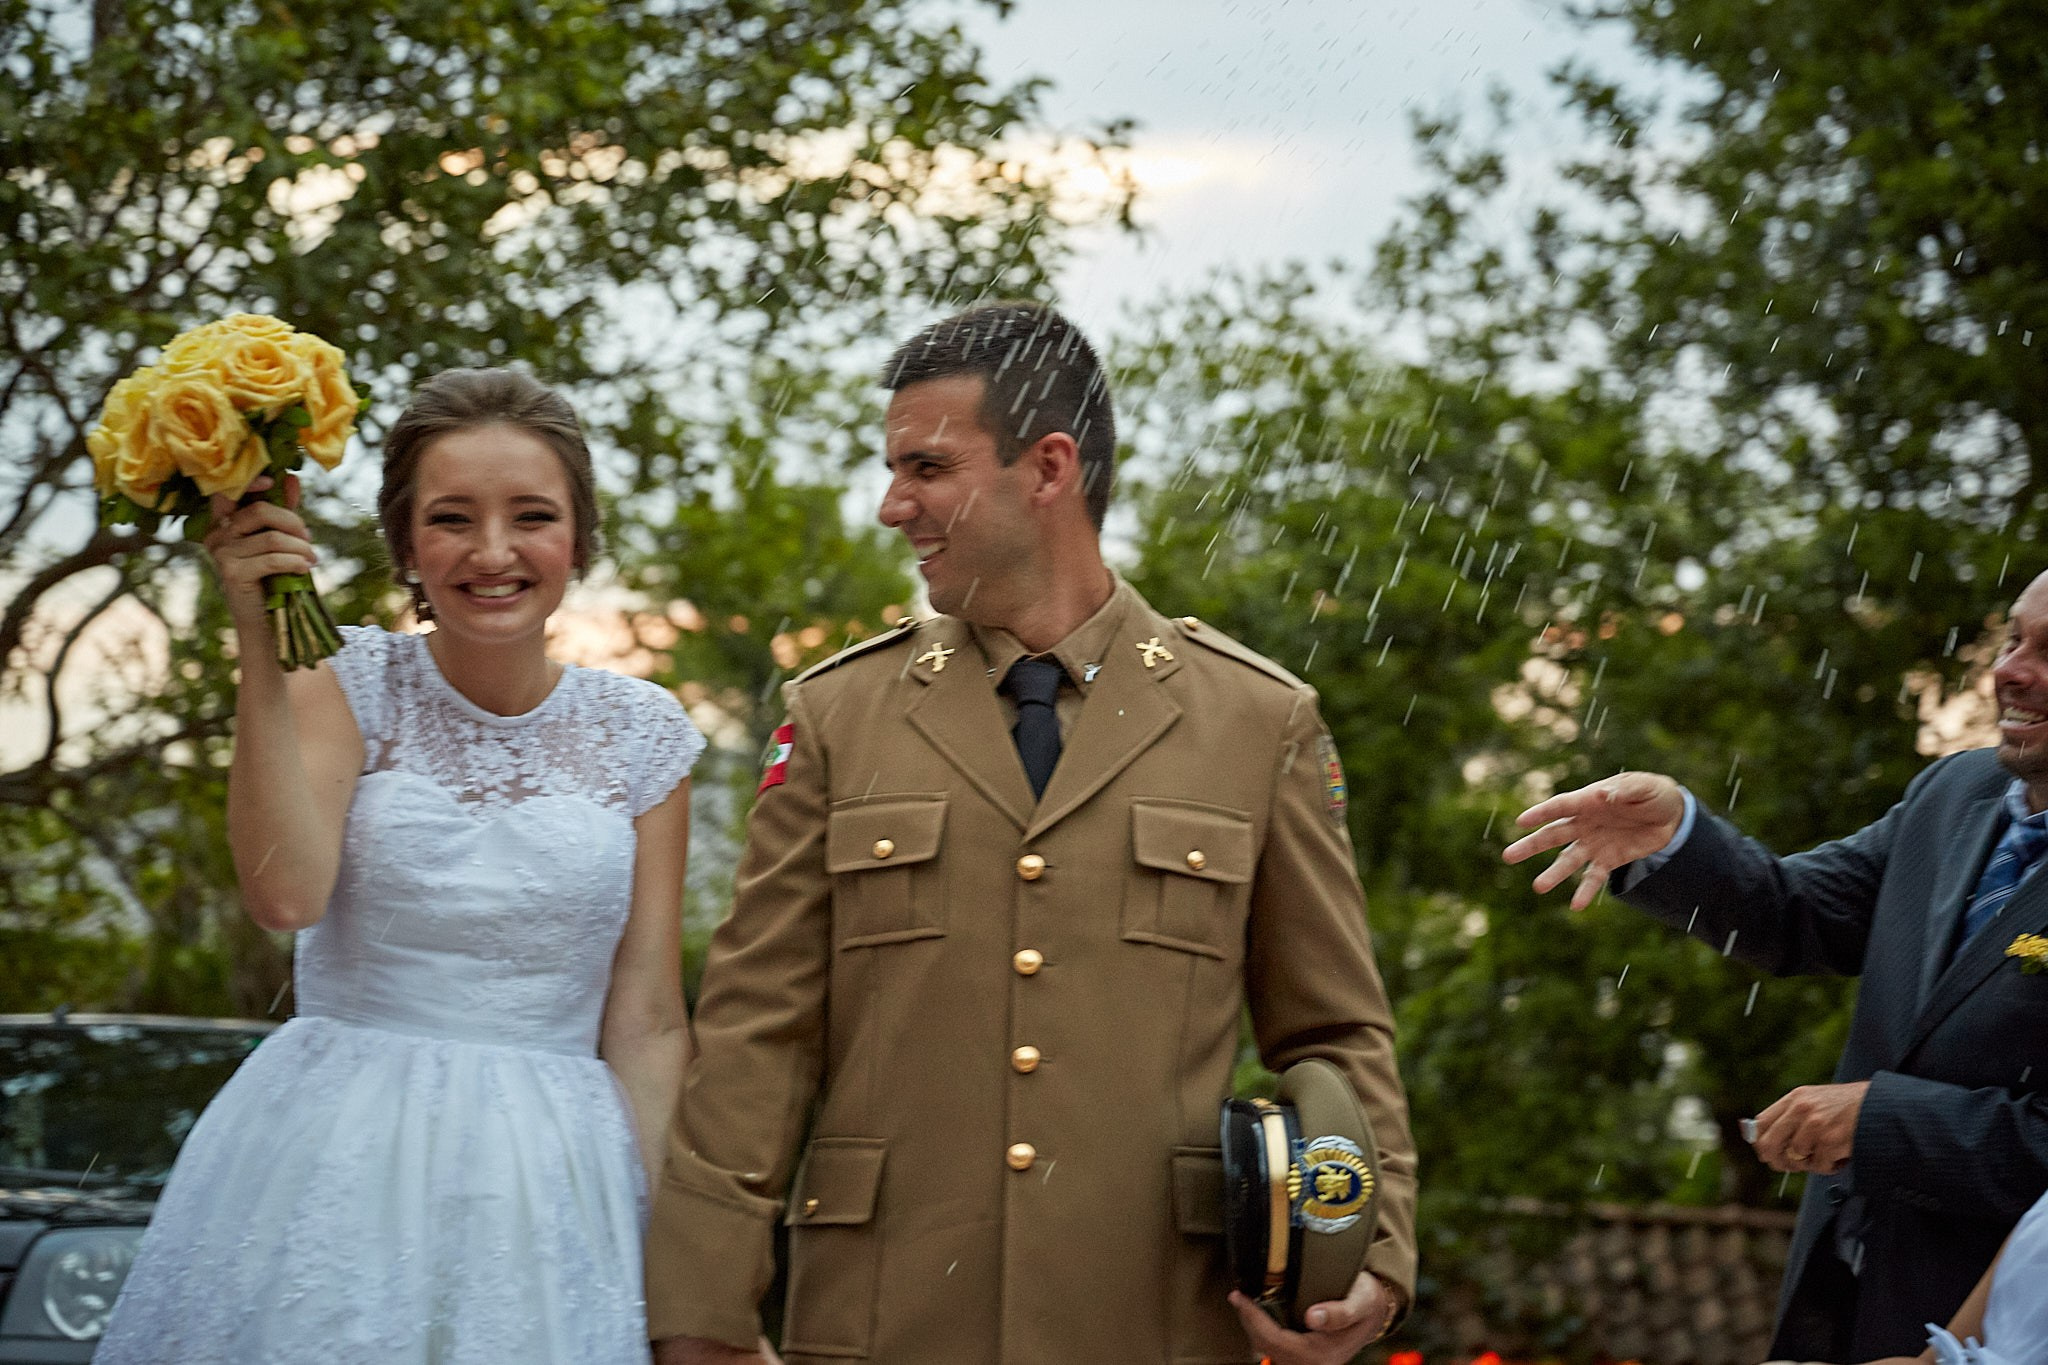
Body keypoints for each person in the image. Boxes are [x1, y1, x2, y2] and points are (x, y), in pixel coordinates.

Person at [644, 302, 1417, 1365]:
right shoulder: (835, 717)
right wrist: (701, 1311)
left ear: (1046, 468)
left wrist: (1372, 1253)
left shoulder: (1257, 722)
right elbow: (755, 1033)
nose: (890, 506)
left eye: (926, 468)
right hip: (883, 1321)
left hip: (1153, 1324)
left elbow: (1331, 1034)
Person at [96, 368, 703, 1363]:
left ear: (579, 541)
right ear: (406, 542)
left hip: (553, 1180)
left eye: (532, 516)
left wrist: (686, 1267)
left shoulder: (643, 737)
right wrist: (259, 631)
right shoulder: (350, 684)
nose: (493, 551)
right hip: (335, 1161)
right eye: (453, 517)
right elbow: (285, 896)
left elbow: (644, 1022)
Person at [1502, 570, 2048, 1361]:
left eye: (2047, 651)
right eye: (2012, 638)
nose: (2009, 670)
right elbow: (1798, 913)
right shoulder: (1954, 791)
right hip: (1840, 1304)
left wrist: (1881, 1121)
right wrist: (1679, 840)